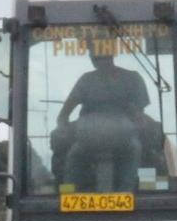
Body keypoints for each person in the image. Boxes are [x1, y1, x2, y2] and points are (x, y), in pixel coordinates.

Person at [52, 48, 151, 191]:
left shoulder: (88, 79)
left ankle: (67, 192)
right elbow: (139, 115)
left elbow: (63, 115)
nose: (96, 59)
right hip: (110, 138)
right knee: (141, 149)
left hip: (92, 139)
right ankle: (139, 190)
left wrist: (64, 128)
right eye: (95, 56)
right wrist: (63, 130)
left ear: (110, 56)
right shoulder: (131, 78)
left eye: (99, 56)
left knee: (72, 156)